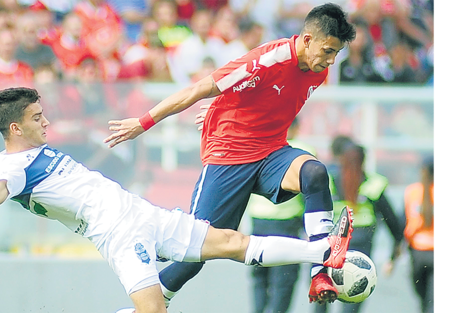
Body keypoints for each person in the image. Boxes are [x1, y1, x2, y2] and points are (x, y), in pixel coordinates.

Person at [0, 87, 353, 313]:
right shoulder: (13, 168)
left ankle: (324, 251)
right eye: (38, 118)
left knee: (230, 240)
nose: (47, 122)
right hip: (119, 234)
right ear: (15, 129)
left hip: (143, 212)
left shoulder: (34, 150)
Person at [104, 3, 356, 306]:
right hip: (228, 156)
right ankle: (146, 305)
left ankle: (321, 271)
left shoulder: (317, 71)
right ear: (306, 39)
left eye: (336, 54)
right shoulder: (267, 58)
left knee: (315, 173)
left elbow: (260, 99)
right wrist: (143, 122)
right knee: (193, 255)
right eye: (327, 50)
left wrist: (224, 105)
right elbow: (197, 89)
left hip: (270, 152)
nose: (330, 60)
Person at [315, 140, 404, 313]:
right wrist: (395, 248)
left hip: (331, 244)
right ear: (364, 161)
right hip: (361, 245)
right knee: (353, 294)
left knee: (322, 298)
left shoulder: (329, 182)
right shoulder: (373, 184)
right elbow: (391, 219)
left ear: (341, 159)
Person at [247, 118, 313, 313]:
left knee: (260, 278)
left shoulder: (258, 147)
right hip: (287, 224)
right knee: (283, 281)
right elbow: (310, 191)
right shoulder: (303, 150)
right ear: (297, 128)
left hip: (257, 221)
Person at [403, 155, 436, 313]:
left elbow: (405, 222)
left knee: (423, 298)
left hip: (418, 252)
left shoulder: (413, 191)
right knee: (433, 301)